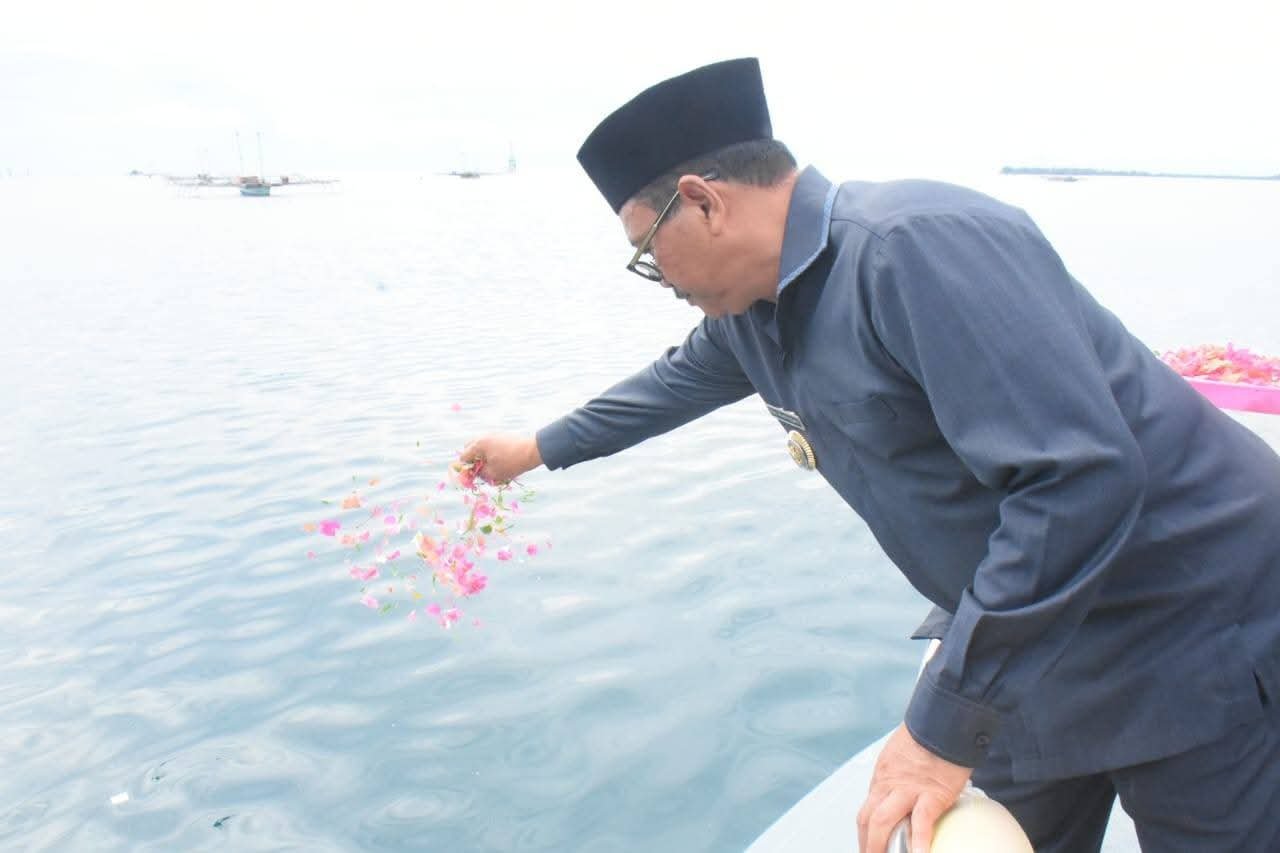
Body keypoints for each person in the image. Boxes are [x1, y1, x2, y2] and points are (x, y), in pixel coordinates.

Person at [462, 58, 1280, 853]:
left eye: (647, 252)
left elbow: (1079, 481)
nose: (658, 278)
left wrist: (939, 729)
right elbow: (672, 382)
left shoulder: (914, 248)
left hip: (1185, 615)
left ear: (704, 202)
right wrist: (532, 449)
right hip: (1039, 638)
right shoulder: (755, 312)